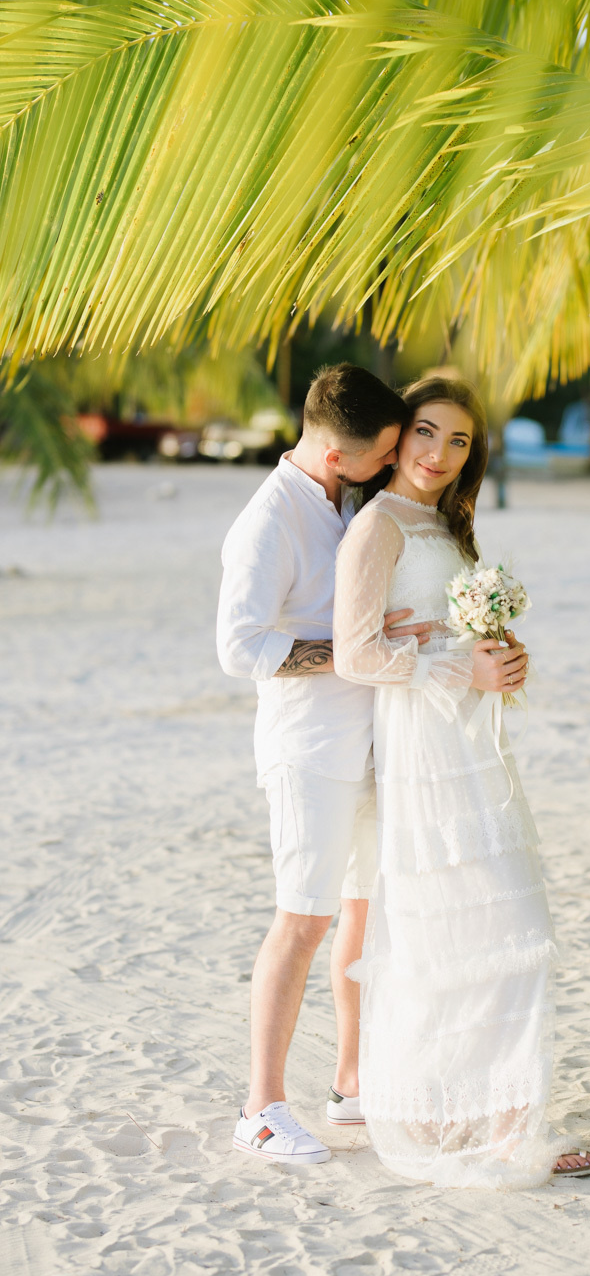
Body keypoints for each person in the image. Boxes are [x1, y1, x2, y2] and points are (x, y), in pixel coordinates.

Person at [216, 364, 527, 1165]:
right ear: (338, 455)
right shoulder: (267, 522)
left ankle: (351, 1082)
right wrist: (352, 653)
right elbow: (238, 648)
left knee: (360, 911)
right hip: (309, 748)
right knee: (303, 917)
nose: (400, 459)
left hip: (376, 742)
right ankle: (259, 1106)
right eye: (387, 449)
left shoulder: (340, 500)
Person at [333, 374, 590, 1185]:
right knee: (456, 923)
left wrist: (503, 657)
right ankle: (476, 1125)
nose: (439, 454)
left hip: (469, 742)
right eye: (425, 433)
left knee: (505, 926)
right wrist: (455, 665)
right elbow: (355, 655)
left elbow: (454, 634)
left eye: (457, 441)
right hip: (422, 746)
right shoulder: (377, 526)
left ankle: (507, 1119)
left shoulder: (446, 523)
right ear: (395, 436)